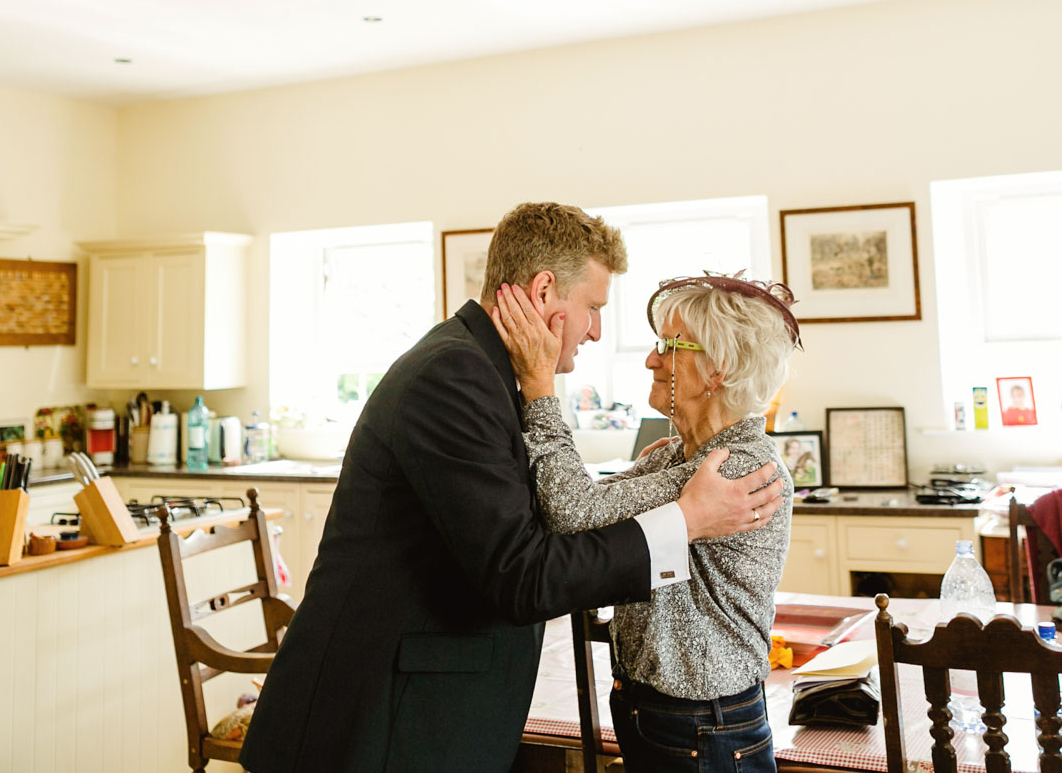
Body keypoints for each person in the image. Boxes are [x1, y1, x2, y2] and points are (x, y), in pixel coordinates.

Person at [238, 204, 785, 773]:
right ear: (546, 289)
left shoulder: (483, 371)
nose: (598, 330)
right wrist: (684, 520)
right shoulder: (454, 378)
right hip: (380, 715)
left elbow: (554, 518)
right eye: (593, 307)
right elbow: (524, 571)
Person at [489, 271, 801, 772]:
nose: (652, 358)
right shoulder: (676, 459)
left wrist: (540, 385)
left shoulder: (737, 467)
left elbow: (574, 510)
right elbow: (562, 510)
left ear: (717, 368)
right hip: (656, 713)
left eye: (669, 344)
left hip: (706, 724)